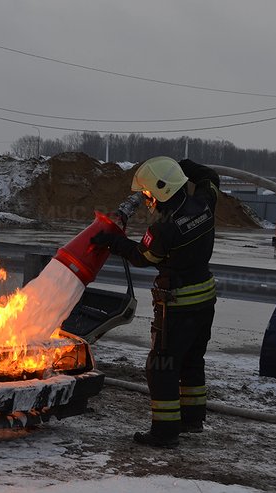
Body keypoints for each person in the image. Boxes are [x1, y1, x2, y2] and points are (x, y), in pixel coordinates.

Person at [91, 156, 220, 448]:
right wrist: (186, 165)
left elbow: (143, 257)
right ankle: (192, 419)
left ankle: (164, 432)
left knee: (161, 365)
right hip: (205, 300)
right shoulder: (205, 201)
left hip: (176, 305)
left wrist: (112, 242)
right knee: (191, 360)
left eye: (149, 194)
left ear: (161, 191)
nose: (147, 200)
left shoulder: (164, 229)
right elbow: (210, 174)